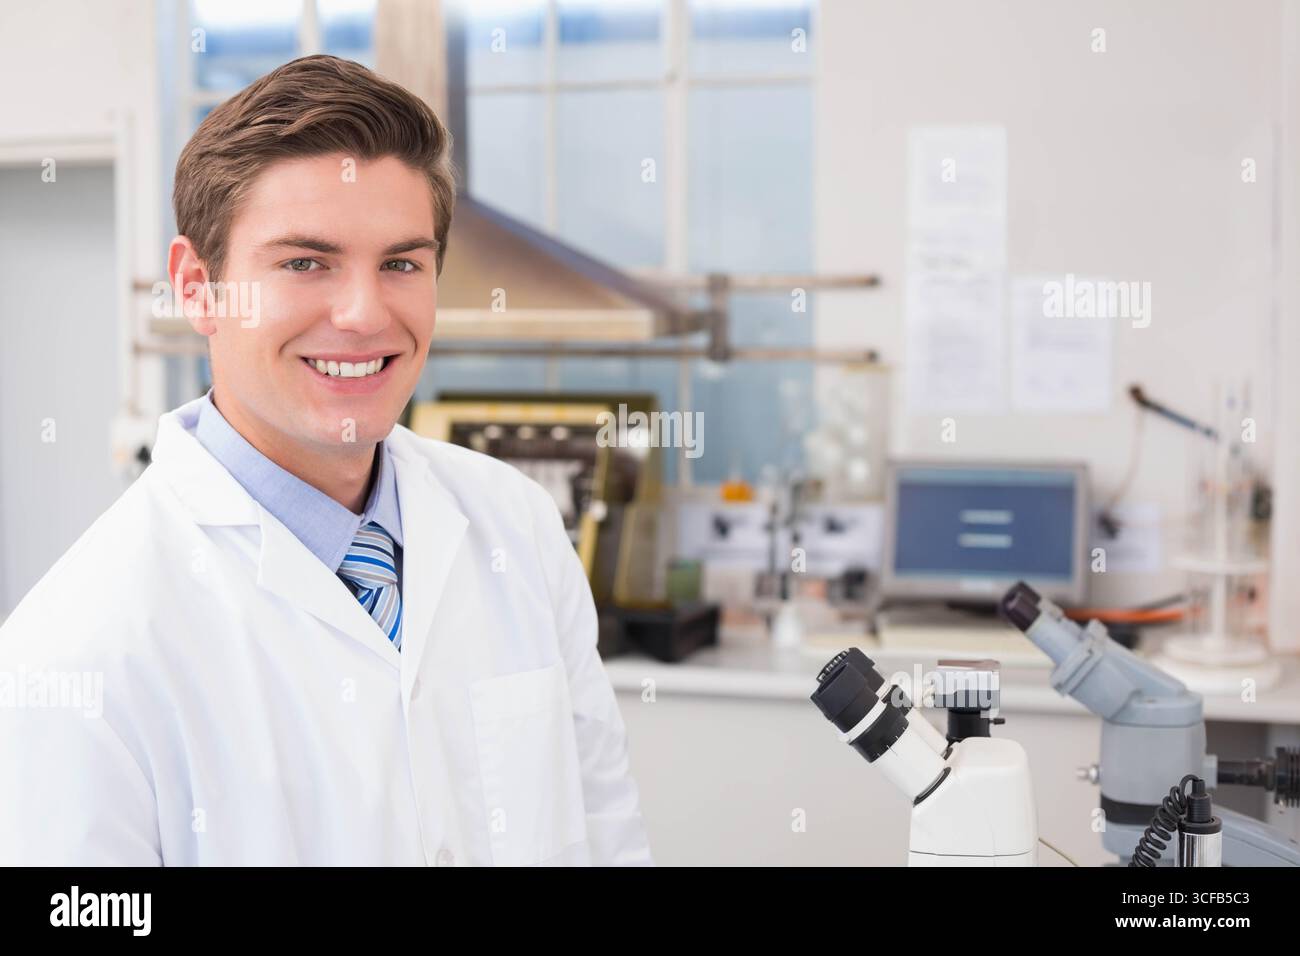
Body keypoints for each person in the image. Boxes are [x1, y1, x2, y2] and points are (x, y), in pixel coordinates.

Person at [0, 54, 651, 866]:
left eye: (402, 263)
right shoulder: (81, 647)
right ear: (197, 287)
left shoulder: (513, 523)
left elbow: (607, 839)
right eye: (306, 262)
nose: (363, 313)